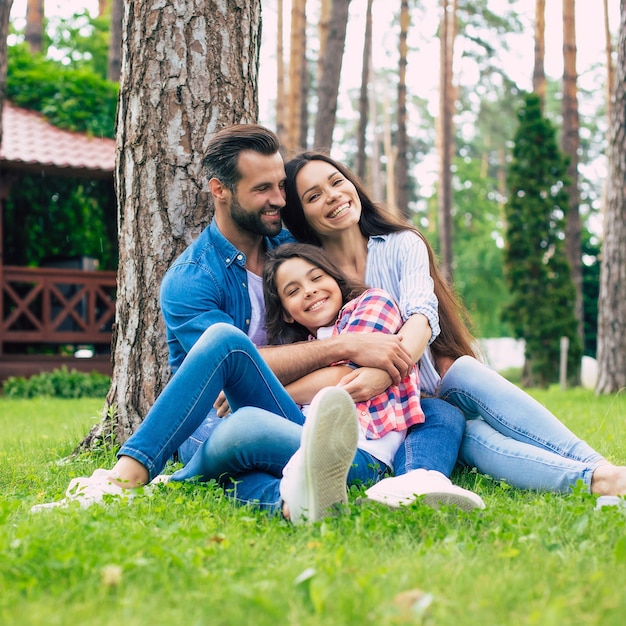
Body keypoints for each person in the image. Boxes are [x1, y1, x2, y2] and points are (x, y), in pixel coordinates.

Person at [31, 124, 480, 517]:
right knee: (227, 358)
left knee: (436, 410)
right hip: (217, 410)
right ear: (220, 190)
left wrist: (373, 349)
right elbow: (241, 369)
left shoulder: (293, 246)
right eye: (263, 189)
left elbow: (346, 305)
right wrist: (346, 348)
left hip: (302, 407)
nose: (279, 201)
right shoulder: (191, 280)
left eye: (280, 187)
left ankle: (317, 498)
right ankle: (128, 480)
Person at [282, 150, 626, 504]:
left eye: (337, 182)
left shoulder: (400, 244)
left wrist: (386, 374)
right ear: (301, 214)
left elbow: (422, 316)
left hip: (432, 387)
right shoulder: (310, 277)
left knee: (463, 372)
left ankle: (600, 467)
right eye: (314, 196)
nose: (333, 196)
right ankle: (600, 479)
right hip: (402, 419)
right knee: (473, 437)